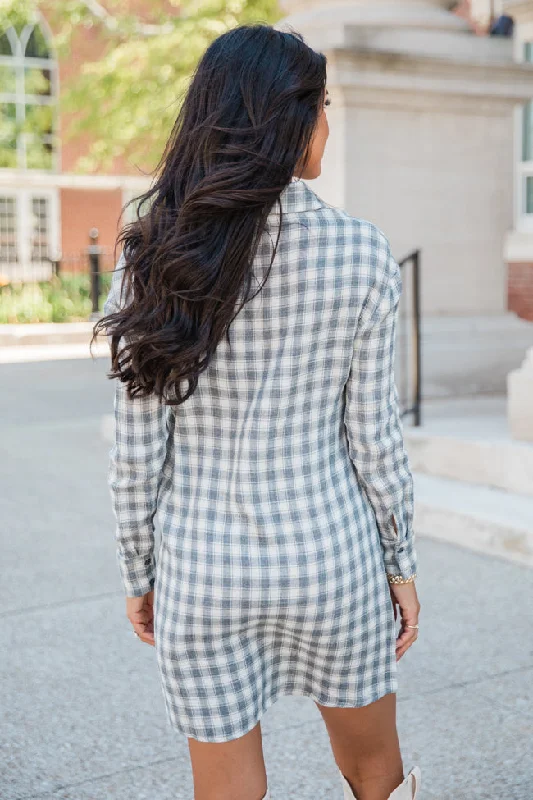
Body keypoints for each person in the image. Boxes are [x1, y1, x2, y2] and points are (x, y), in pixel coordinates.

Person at [94, 23, 421, 800]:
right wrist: (400, 564)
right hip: (331, 563)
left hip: (201, 573)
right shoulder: (360, 252)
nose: (328, 125)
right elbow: (373, 439)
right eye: (323, 105)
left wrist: (139, 572)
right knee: (375, 772)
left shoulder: (153, 257)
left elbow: (137, 452)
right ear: (288, 118)